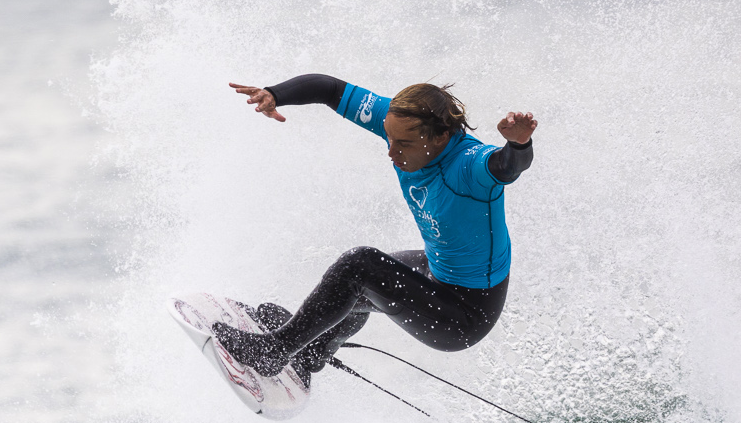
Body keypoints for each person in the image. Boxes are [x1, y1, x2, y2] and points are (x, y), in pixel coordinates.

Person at [213, 74, 537, 386]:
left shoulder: (470, 165)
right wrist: (275, 94)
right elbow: (330, 90)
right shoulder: (402, 122)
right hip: (439, 271)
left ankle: (274, 351)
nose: (391, 152)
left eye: (404, 144)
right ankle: (312, 349)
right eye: (389, 137)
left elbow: (506, 166)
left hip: (463, 314)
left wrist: (519, 144)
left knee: (360, 267)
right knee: (357, 284)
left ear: (440, 137)